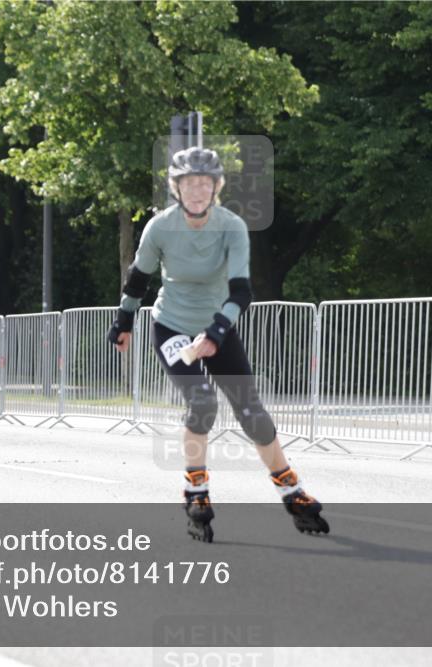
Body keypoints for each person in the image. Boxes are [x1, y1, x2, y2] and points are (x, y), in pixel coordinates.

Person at [106, 146, 328, 542]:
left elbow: (241, 291)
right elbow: (138, 279)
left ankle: (291, 491)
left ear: (216, 187)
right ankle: (196, 491)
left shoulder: (231, 227)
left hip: (218, 327)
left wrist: (216, 332)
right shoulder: (159, 227)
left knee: (252, 412)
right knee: (203, 403)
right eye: (189, 183)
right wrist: (124, 321)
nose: (197, 191)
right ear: (176, 188)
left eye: (204, 184)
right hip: (171, 327)